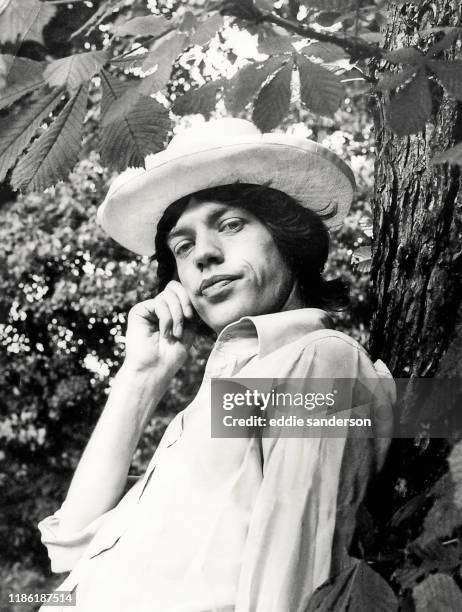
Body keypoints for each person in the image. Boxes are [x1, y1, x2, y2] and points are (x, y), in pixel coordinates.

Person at [37, 118, 395, 612]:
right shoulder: (212, 404)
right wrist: (140, 379)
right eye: (183, 246)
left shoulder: (317, 359)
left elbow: (289, 585)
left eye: (230, 224)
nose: (203, 253)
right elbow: (69, 548)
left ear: (288, 237)